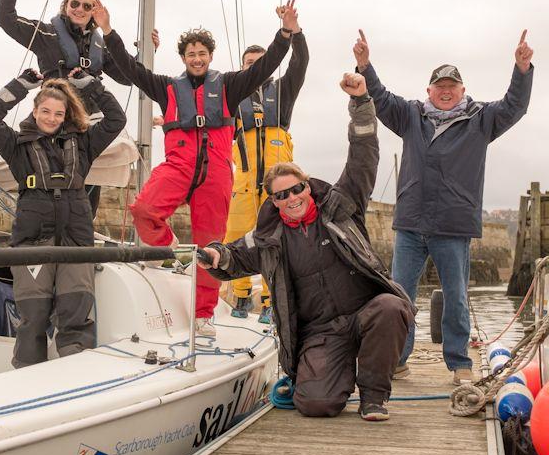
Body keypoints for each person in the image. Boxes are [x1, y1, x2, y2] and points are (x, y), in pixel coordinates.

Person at [199, 73, 415, 421]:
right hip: (322, 332)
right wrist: (214, 256)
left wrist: (361, 103)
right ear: (274, 202)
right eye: (281, 195)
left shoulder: (341, 206)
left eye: (296, 189)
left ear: (306, 186)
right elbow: (234, 256)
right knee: (316, 404)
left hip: (366, 313)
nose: (292, 198)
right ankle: (337, 377)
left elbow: (363, 158)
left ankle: (374, 396)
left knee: (391, 307)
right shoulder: (269, 237)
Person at [95, 0, 297, 337]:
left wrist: (285, 33)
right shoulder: (167, 88)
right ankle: (169, 248)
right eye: (191, 53)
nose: (197, 58)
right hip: (179, 165)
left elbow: (265, 68)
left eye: (202, 52)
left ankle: (204, 313)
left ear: (210, 55)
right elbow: (132, 70)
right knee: (144, 209)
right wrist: (108, 30)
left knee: (211, 247)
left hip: (216, 171)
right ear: (183, 58)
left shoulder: (231, 85)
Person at [353, 29, 534, 385]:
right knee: (397, 297)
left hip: (453, 226)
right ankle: (397, 359)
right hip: (410, 225)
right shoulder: (410, 115)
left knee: (456, 298)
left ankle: (458, 362)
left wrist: (522, 69)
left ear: (463, 91)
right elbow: (381, 98)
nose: (446, 91)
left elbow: (515, 105)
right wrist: (364, 65)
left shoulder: (482, 120)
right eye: (440, 86)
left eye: (453, 85)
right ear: (429, 91)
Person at [0, 68, 126, 368]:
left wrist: (91, 85)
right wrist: (18, 85)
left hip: (76, 240)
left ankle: (74, 373)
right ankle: (29, 376)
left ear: (66, 114)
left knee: (75, 312)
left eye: (58, 114)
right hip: (33, 240)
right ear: (34, 111)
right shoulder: (16, 145)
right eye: (45, 111)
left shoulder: (84, 143)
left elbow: (116, 120)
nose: (51, 118)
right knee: (33, 316)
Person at [0, 0, 158, 215]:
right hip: (52, 122)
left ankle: (79, 245)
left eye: (87, 6)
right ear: (65, 6)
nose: (80, 9)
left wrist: (146, 52)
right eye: (75, 3)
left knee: (85, 198)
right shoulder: (45, 34)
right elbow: (5, 19)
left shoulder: (100, 46)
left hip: (86, 128)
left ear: (94, 12)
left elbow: (128, 77)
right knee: (43, 189)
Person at [226, 30, 309, 324]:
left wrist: (295, 34)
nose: (253, 66)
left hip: (277, 185)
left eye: (259, 62)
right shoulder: (233, 92)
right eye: (248, 63)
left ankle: (271, 300)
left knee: (276, 239)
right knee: (236, 233)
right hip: (244, 181)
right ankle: (241, 293)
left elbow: (300, 62)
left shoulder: (283, 90)